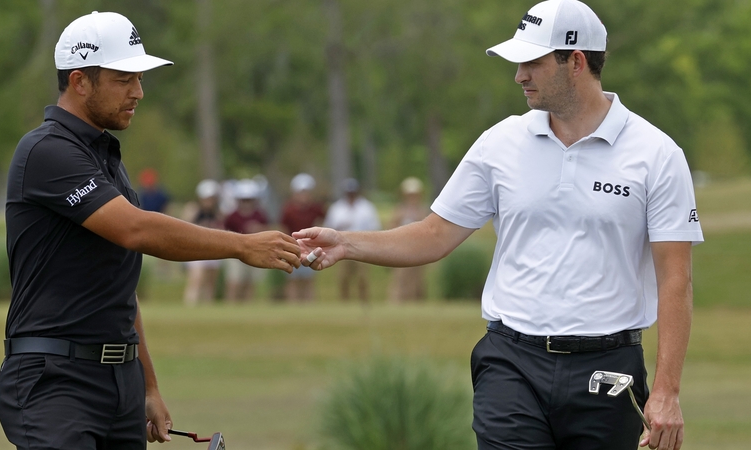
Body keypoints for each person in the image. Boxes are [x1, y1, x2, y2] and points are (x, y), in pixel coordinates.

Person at [295, 1, 703, 449]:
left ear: (577, 62)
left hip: (608, 368)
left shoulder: (656, 154)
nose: (519, 75)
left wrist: (666, 391)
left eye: (532, 62)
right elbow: (434, 234)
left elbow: (675, 279)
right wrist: (346, 243)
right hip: (511, 362)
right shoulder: (500, 143)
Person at [0, 12, 300, 450]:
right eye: (124, 79)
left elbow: (118, 289)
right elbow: (137, 231)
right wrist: (242, 245)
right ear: (80, 82)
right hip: (56, 381)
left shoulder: (104, 158)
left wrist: (148, 387)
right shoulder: (46, 151)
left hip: (119, 382)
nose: (138, 92)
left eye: (138, 79)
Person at [322, 178, 381, 302]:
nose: (351, 195)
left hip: (362, 246)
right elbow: (328, 227)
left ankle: (364, 301)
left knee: (362, 277)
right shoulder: (337, 208)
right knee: (343, 277)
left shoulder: (366, 207)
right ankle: (345, 302)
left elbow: (374, 227)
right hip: (341, 246)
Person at [279, 173, 326, 302]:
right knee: (293, 279)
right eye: (301, 192)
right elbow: (284, 229)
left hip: (311, 247)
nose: (304, 196)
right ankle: (293, 306)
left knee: (308, 280)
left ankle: (308, 307)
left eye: (306, 192)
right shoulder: (288, 209)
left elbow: (322, 223)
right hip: (292, 247)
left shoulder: (316, 209)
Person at [223, 178, 270, 302]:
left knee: (251, 282)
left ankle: (248, 307)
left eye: (249, 200)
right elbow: (225, 233)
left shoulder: (260, 215)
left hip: (256, 250)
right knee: (235, 282)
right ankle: (231, 306)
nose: (246, 203)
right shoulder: (232, 216)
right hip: (235, 253)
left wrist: (259, 229)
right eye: (244, 200)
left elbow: (269, 231)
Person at [387, 177, 430, 303]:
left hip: (418, 251)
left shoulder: (422, 212)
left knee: (417, 280)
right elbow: (391, 228)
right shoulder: (399, 211)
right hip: (401, 250)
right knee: (400, 278)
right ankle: (397, 302)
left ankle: (416, 303)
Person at [182, 179, 224, 306]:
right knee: (196, 279)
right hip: (195, 248)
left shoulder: (218, 213)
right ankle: (190, 305)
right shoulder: (193, 209)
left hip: (213, 249)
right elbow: (184, 226)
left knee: (210, 282)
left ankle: (207, 306)